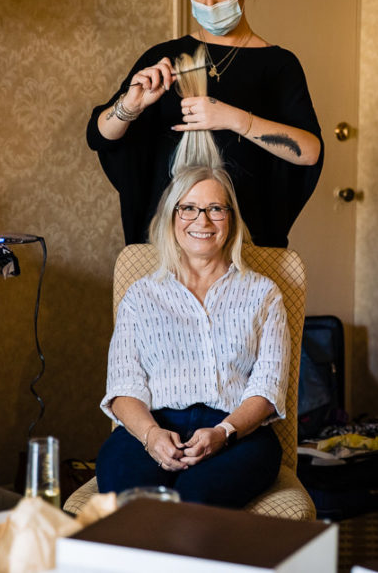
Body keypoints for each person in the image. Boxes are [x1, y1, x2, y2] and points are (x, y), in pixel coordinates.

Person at [87, 0, 323, 248]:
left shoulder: (278, 65)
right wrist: (130, 106)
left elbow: (309, 151)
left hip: (244, 246)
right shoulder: (163, 57)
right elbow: (99, 136)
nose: (210, 3)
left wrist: (234, 118)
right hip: (168, 245)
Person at [95, 165, 289, 507]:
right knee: (132, 503)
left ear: (231, 219)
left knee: (193, 502)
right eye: (189, 208)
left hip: (237, 435)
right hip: (154, 427)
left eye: (216, 209)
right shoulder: (141, 296)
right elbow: (123, 388)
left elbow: (269, 388)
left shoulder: (263, 293)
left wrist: (223, 433)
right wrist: (151, 435)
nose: (203, 221)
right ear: (171, 217)